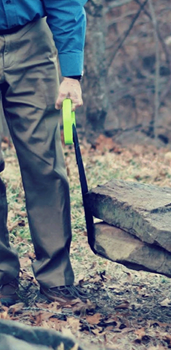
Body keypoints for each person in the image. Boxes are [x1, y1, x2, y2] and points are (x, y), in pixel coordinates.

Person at [0, 1, 88, 306]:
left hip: (32, 46)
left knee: (45, 165)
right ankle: (1, 277)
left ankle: (56, 279)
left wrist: (72, 74)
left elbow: (65, 2)